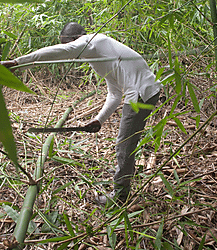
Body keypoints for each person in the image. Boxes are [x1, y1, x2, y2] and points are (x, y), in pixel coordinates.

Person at [1, 22, 161, 207]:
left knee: (124, 143)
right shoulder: (100, 54)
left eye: (67, 43)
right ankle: (123, 170)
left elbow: (60, 51)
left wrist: (18, 63)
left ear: (75, 39)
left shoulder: (93, 40)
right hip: (145, 91)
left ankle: (119, 195)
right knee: (127, 141)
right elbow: (115, 93)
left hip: (140, 93)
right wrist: (98, 119)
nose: (69, 49)